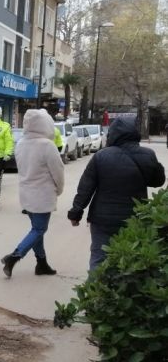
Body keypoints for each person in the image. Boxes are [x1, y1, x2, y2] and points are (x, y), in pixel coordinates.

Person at [67, 116, 165, 271]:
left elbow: (86, 187)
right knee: (131, 258)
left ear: (113, 134)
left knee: (99, 258)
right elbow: (158, 181)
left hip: (102, 220)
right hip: (135, 217)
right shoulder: (147, 154)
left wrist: (75, 213)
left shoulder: (100, 156)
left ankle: (97, 291)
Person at [0, 109, 65, 277]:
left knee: (37, 230)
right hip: (42, 195)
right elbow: (58, 171)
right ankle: (14, 256)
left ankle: (41, 264)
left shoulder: (21, 143)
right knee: (39, 229)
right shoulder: (47, 145)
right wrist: (59, 189)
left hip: (26, 194)